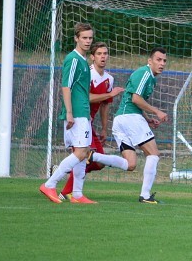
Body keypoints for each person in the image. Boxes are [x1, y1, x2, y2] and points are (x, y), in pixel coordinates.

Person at [58, 42, 128, 201]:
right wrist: (110, 95)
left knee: (97, 162)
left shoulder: (109, 79)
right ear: (92, 57)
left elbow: (104, 106)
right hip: (78, 120)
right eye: (99, 54)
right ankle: (66, 191)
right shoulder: (87, 74)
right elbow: (85, 97)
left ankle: (67, 178)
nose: (103, 56)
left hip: (89, 125)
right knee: (85, 157)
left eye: (105, 53)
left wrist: (104, 128)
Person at [39, 23, 96, 204]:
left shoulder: (84, 60)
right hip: (76, 113)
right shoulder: (73, 59)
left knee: (83, 151)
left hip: (83, 112)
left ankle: (77, 194)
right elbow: (66, 86)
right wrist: (70, 113)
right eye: (84, 38)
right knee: (80, 153)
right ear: (76, 38)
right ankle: (50, 184)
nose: (87, 41)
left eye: (90, 38)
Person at [112, 47, 169, 204]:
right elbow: (136, 99)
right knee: (153, 154)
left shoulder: (150, 77)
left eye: (164, 60)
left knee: (130, 164)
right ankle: (145, 195)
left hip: (122, 119)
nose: (162, 63)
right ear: (149, 61)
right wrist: (157, 112)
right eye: (158, 60)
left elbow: (134, 101)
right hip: (130, 117)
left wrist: (148, 119)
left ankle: (93, 156)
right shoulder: (145, 73)